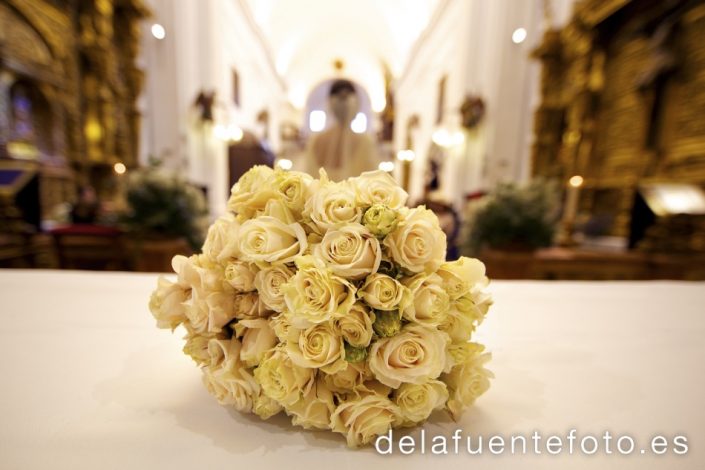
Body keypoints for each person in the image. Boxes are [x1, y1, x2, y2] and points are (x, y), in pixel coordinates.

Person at [305, 79, 378, 180]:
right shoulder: (365, 142)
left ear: (330, 104)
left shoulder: (316, 140)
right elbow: (372, 181)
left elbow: (308, 179)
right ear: (356, 105)